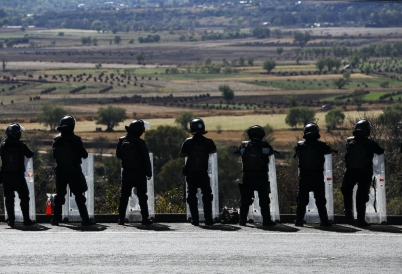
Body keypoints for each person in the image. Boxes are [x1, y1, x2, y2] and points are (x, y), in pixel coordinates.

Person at [51, 115, 96, 226]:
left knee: (60, 195)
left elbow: (54, 155)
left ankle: (56, 219)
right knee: (79, 195)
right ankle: (85, 219)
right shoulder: (76, 140)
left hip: (60, 170)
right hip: (73, 171)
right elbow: (84, 155)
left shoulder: (57, 140)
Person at [341, 120, 384, 227]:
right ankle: (360, 219)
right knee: (361, 196)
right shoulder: (370, 143)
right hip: (365, 172)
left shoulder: (350, 142)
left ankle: (349, 216)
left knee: (347, 192)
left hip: (350, 171)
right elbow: (380, 151)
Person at [294, 123, 334, 227]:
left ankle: (299, 220)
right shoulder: (321, 146)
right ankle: (324, 221)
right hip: (317, 176)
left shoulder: (300, 146)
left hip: (304, 176)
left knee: (302, 200)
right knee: (320, 200)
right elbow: (329, 150)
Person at [236, 125, 277, 227]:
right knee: (264, 199)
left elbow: (239, 152)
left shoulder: (244, 146)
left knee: (245, 199)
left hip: (247, 176)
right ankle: (266, 221)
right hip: (261, 176)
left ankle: (242, 220)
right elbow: (271, 153)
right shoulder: (265, 146)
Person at [180, 118, 217, 226]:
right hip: (203, 173)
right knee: (207, 196)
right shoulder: (208, 142)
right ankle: (208, 219)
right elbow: (213, 150)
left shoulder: (188, 142)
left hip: (191, 173)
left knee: (191, 196)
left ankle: (195, 219)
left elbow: (181, 154)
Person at [116, 120, 153, 226]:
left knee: (124, 196)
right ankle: (145, 218)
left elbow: (118, 155)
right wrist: (148, 173)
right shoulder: (141, 143)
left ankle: (121, 219)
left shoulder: (122, 140)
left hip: (127, 172)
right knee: (142, 196)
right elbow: (146, 159)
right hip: (140, 173)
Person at [0, 124, 35, 227]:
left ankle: (11, 220)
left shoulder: (3, 145)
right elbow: (30, 154)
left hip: (6, 176)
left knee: (9, 198)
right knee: (24, 197)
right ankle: (26, 220)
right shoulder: (20, 145)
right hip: (18, 176)